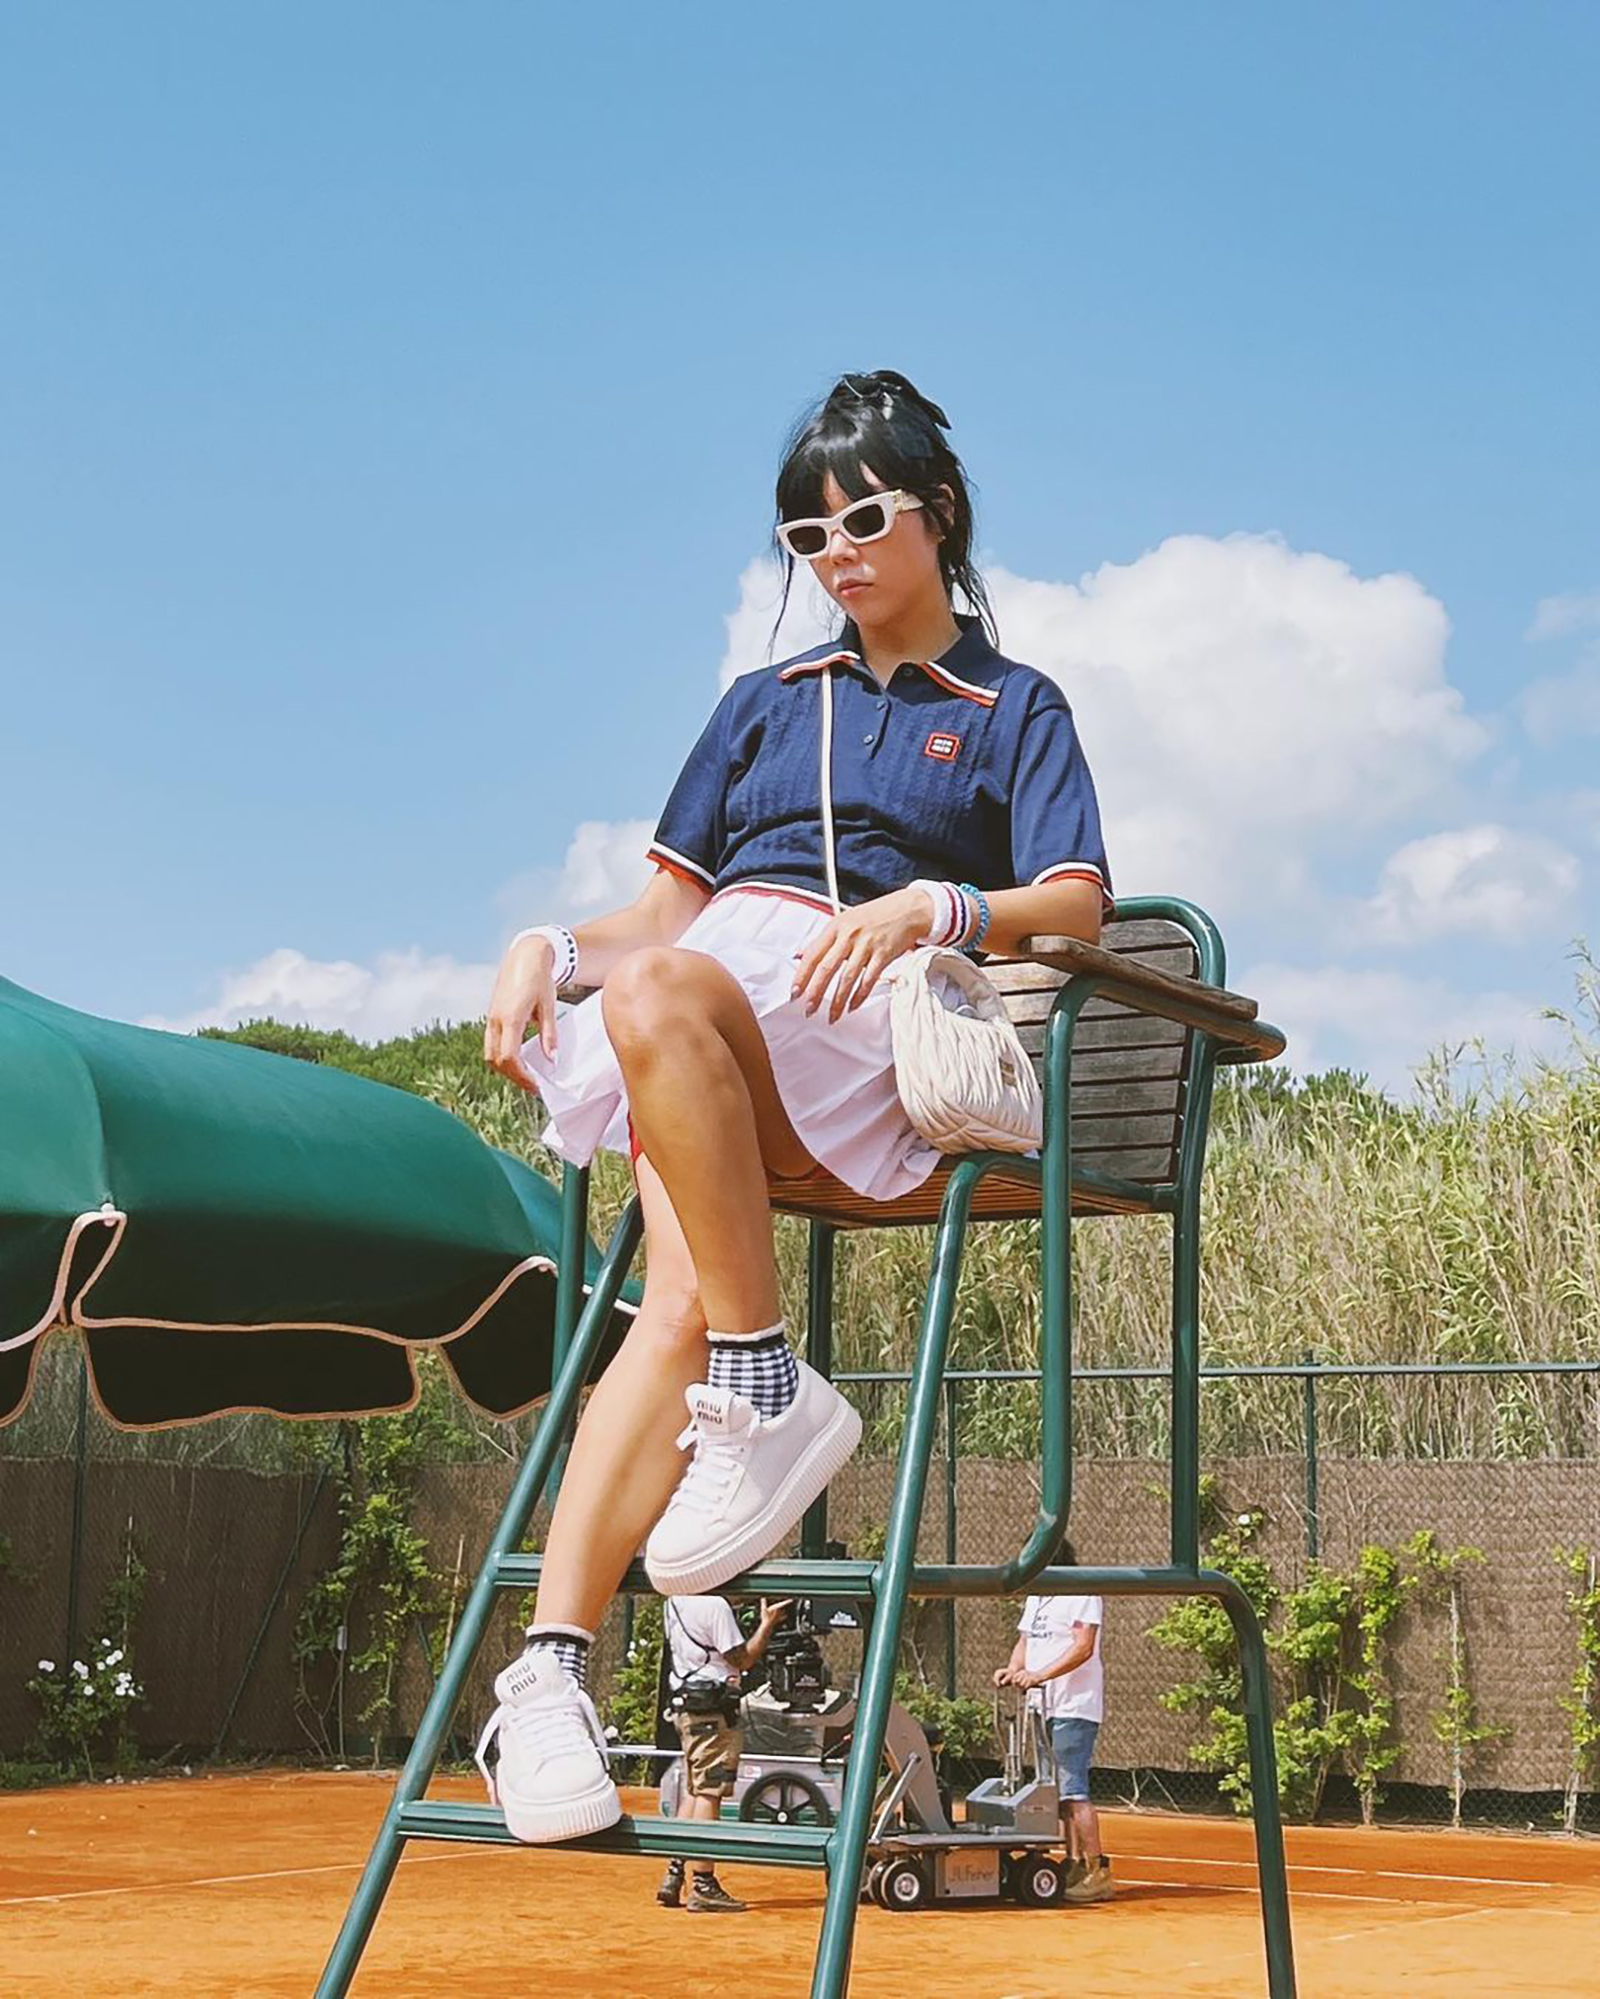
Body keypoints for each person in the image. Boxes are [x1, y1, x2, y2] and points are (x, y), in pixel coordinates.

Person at [476, 368, 1113, 1845]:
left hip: (861, 1025)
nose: (837, 553)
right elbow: (657, 918)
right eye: (805, 533)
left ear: (938, 513)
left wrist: (937, 906)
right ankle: (554, 1672)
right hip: (714, 1012)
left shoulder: (1013, 704)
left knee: (658, 1014)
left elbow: (1079, 901)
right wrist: (547, 946)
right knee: (671, 1298)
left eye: (864, 518)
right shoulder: (763, 705)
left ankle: (760, 1390)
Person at [655, 1594, 792, 1912]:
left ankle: (674, 1873)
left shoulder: (675, 1600)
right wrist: (767, 1624)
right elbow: (743, 1659)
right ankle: (703, 1884)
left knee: (694, 1790)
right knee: (710, 1792)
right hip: (713, 1711)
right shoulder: (714, 1606)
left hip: (688, 1706)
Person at [994, 1540, 1112, 1902]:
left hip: (1073, 1707)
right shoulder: (1037, 1596)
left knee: (1074, 1791)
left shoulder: (1081, 1592)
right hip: (1042, 1707)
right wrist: (1013, 1669)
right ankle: (1073, 1863)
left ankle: (1098, 1870)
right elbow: (1025, 1642)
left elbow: (1083, 1647)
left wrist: (1040, 1675)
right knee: (1055, 1793)